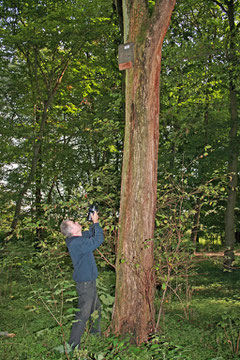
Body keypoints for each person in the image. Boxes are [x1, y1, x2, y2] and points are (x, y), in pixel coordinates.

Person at [60, 211, 104, 350]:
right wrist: (96, 223)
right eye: (74, 223)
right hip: (85, 284)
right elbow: (97, 240)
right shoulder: (76, 243)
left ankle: (95, 334)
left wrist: (93, 221)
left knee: (96, 308)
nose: (77, 223)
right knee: (83, 314)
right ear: (72, 230)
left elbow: (91, 234)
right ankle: (73, 345)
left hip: (90, 281)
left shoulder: (79, 238)